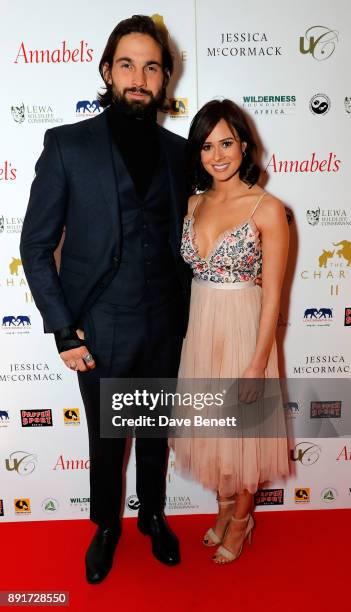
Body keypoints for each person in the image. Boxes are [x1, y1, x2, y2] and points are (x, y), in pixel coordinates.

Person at [20, 15, 191, 583]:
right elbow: (36, 245)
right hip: (99, 322)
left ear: (165, 78)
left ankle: (153, 517)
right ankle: (107, 526)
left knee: (155, 431)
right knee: (104, 437)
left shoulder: (177, 152)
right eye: (127, 64)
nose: (138, 77)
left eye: (151, 66)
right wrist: (65, 331)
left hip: (165, 320)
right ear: (106, 71)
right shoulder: (68, 145)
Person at [172, 99, 290, 564]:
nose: (217, 154)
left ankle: (241, 519)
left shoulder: (267, 208)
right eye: (206, 146)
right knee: (211, 430)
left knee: (244, 435)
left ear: (244, 144)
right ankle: (223, 508)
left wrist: (257, 363)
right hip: (201, 327)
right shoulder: (194, 202)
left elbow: (274, 296)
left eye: (226, 142)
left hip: (244, 329)